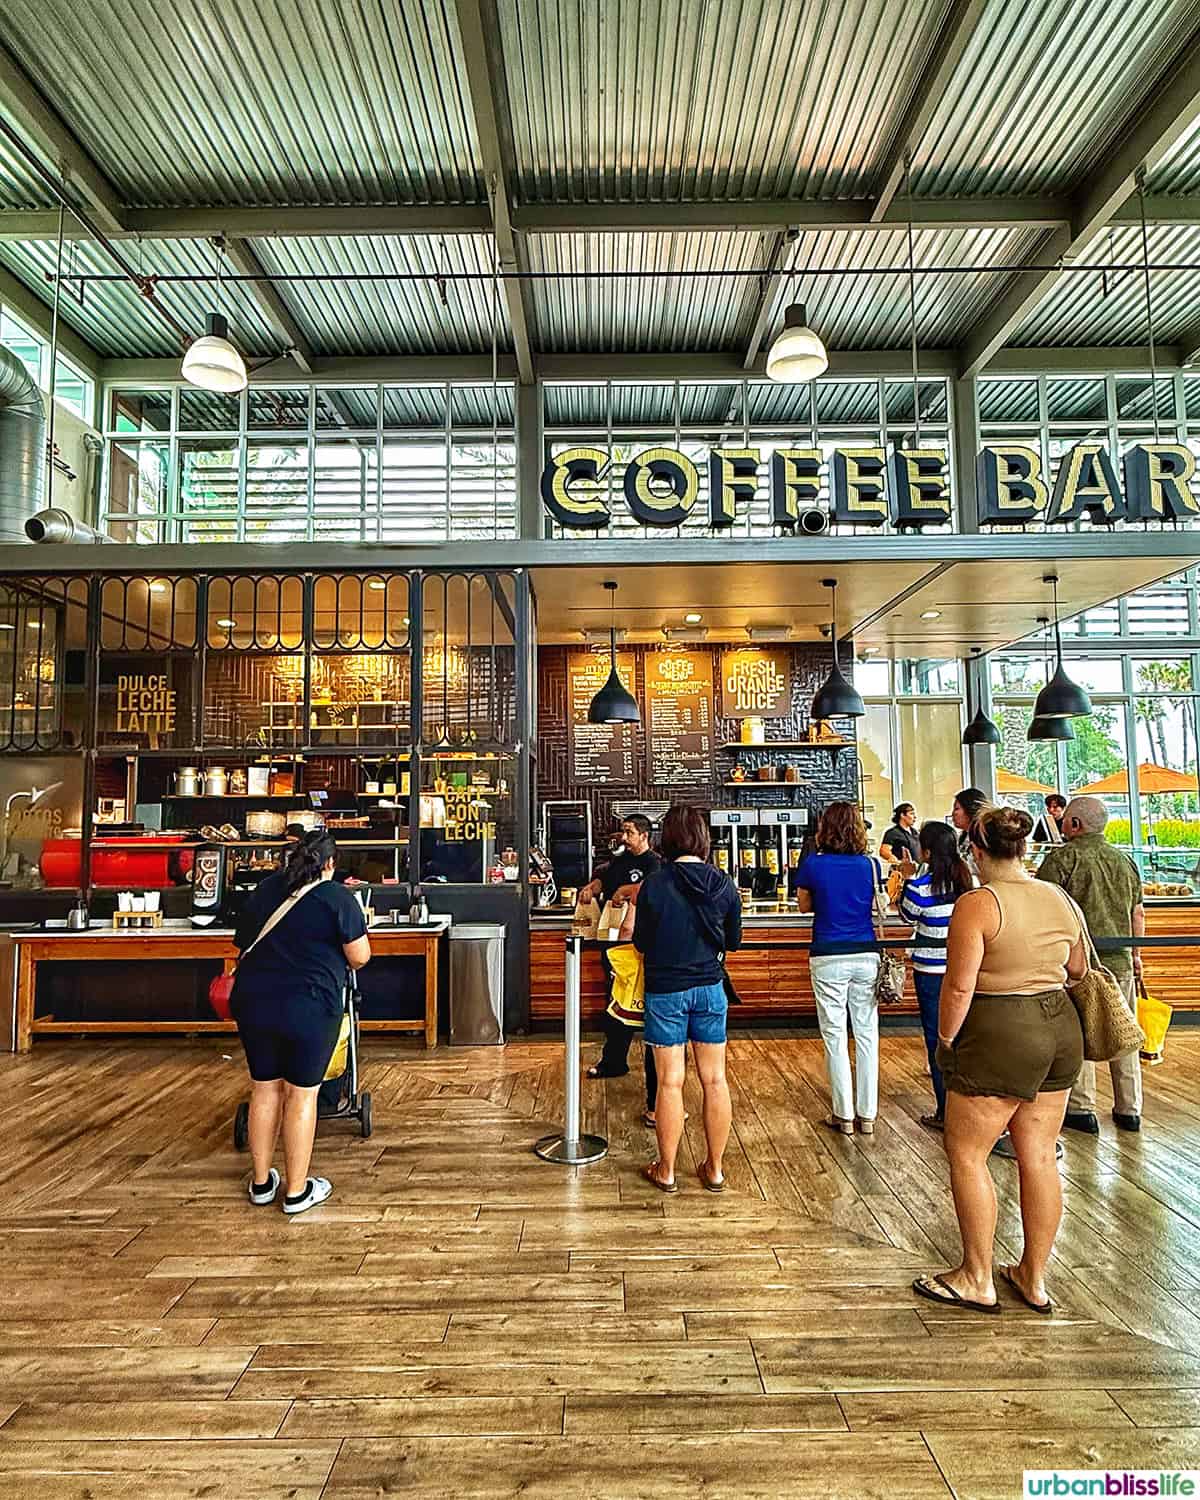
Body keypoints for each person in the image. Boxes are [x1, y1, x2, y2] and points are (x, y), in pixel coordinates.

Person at [913, 806, 1087, 1316]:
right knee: (1038, 1154)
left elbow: (960, 983)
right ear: (1026, 847)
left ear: (977, 850)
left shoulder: (979, 903)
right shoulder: (1057, 896)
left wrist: (946, 1038)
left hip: (1000, 1030)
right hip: (1060, 1031)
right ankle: (1033, 1278)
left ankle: (976, 1276)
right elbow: (1077, 968)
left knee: (968, 1153)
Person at [232, 831, 371, 1216]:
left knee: (264, 1089)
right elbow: (360, 957)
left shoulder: (265, 890)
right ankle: (296, 1191)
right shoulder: (338, 898)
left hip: (255, 1000)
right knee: (302, 1093)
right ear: (329, 863)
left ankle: (261, 1184)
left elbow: (241, 942)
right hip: (310, 1005)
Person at [634, 806, 741, 1193]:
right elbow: (733, 941)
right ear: (702, 838)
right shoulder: (724, 883)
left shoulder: (656, 884)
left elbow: (641, 942)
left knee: (670, 1083)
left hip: (665, 991)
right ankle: (714, 1169)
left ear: (668, 838)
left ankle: (667, 1170)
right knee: (715, 1080)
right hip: (711, 989)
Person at [1036, 794, 1144, 1134]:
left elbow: (1044, 909)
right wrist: (1137, 954)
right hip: (1121, 961)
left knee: (1080, 1034)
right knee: (1123, 1032)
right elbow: (1137, 912)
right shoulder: (1125, 861)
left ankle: (1082, 1108)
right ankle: (1130, 1108)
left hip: (1076, 964)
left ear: (1075, 824)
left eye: (1064, 819)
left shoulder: (1061, 859)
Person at [795, 801, 884, 1134]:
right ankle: (869, 1115)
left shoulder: (813, 865)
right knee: (866, 1034)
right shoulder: (871, 865)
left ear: (825, 829)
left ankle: (844, 1115)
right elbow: (876, 904)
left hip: (828, 954)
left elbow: (805, 908)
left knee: (834, 1034)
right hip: (866, 953)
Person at [899, 821, 974, 1131]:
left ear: (926, 852)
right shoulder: (970, 884)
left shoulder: (919, 888)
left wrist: (906, 877)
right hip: (965, 968)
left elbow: (907, 916)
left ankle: (946, 1110)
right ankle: (972, 1108)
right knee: (967, 1036)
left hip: (930, 972)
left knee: (937, 1038)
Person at [582, 816, 662, 1104]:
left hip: (639, 947)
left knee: (641, 1005)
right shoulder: (620, 860)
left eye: (629, 832)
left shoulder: (655, 863)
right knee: (615, 1004)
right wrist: (594, 885)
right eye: (624, 832)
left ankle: (660, 1073)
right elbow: (607, 877)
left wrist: (627, 891)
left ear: (644, 835)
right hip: (614, 942)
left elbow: (650, 890)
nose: (624, 837)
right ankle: (614, 1061)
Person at [951, 787, 989, 876]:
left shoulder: (984, 837)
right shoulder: (963, 837)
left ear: (970, 809)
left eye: (957, 809)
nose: (953, 813)